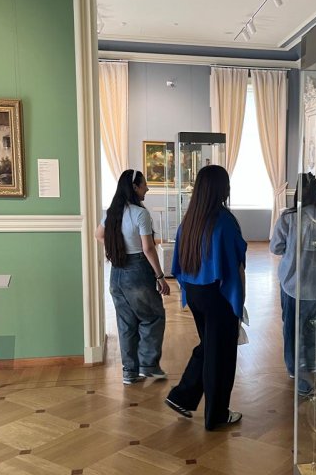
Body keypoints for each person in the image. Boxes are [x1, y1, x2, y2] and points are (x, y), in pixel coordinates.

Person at [166, 165, 246, 430]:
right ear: (221, 188)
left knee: (210, 345)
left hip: (195, 292)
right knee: (222, 354)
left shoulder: (190, 219)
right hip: (218, 294)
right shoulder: (224, 220)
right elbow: (235, 262)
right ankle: (217, 415)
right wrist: (239, 300)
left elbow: (179, 262)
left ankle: (182, 396)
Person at [96, 169, 170, 385]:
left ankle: (130, 372)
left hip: (116, 273)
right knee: (153, 317)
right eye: (144, 184)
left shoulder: (111, 212)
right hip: (137, 270)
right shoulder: (140, 213)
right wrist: (160, 276)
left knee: (126, 323)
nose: (147, 188)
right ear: (135, 187)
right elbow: (148, 248)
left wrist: (117, 247)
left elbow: (98, 235)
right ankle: (148, 366)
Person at [270, 173, 316, 397]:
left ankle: (293, 370)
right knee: (313, 334)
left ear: (298, 194)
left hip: (292, 284)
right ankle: (309, 380)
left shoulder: (288, 218)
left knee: (291, 329)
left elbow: (275, 248)